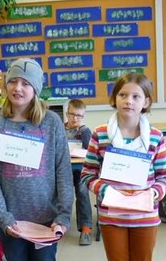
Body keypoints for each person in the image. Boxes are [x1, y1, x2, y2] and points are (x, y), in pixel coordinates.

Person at [0, 58, 73, 261]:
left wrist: (64, 216)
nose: (18, 88)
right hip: (12, 223)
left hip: (46, 222)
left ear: (36, 89)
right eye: (13, 81)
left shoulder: (51, 123)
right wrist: (3, 218)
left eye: (25, 83)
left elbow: (63, 173)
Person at [81, 72, 166, 261]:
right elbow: (87, 175)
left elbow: (164, 176)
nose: (128, 101)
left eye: (136, 96)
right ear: (115, 98)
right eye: (123, 95)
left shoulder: (155, 136)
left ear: (146, 102)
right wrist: (105, 190)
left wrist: (154, 193)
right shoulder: (100, 134)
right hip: (112, 216)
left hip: (144, 216)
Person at [64, 99, 93, 246]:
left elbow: (90, 153)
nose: (75, 119)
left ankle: (86, 228)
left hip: (81, 170)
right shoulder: (60, 129)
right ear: (66, 114)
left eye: (79, 116)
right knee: (63, 193)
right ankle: (60, 223)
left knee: (82, 192)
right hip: (63, 170)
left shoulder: (85, 131)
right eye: (72, 114)